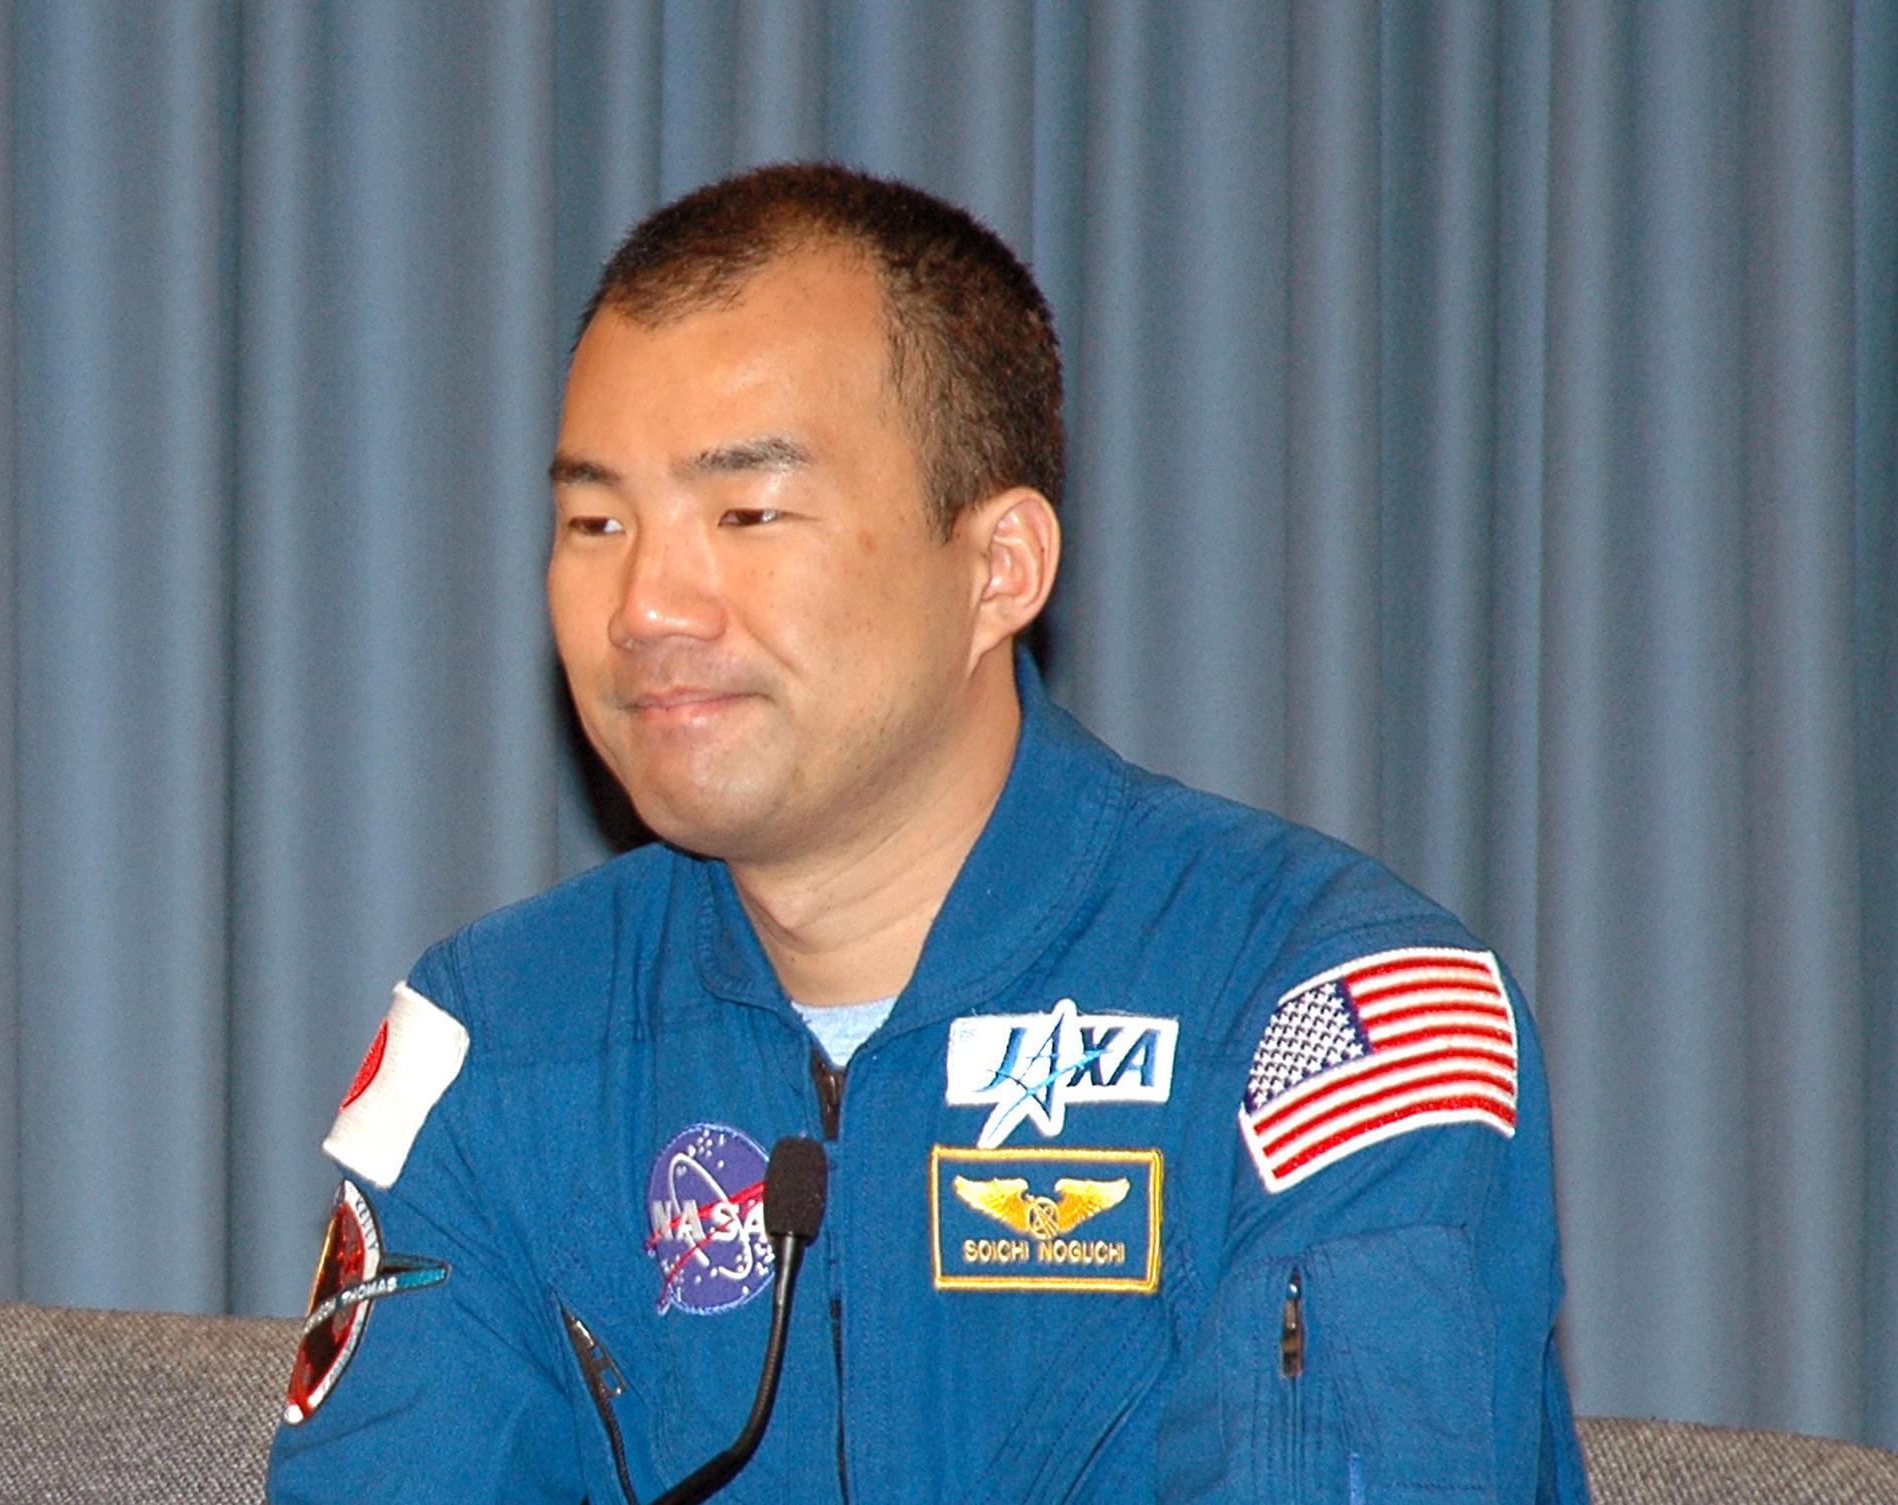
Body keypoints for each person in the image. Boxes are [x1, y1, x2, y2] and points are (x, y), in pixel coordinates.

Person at [267, 162, 1591, 1504]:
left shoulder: (1335, 1014)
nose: (646, 607)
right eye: (595, 521)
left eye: (747, 514)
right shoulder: (496, 1038)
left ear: (1000, 566)